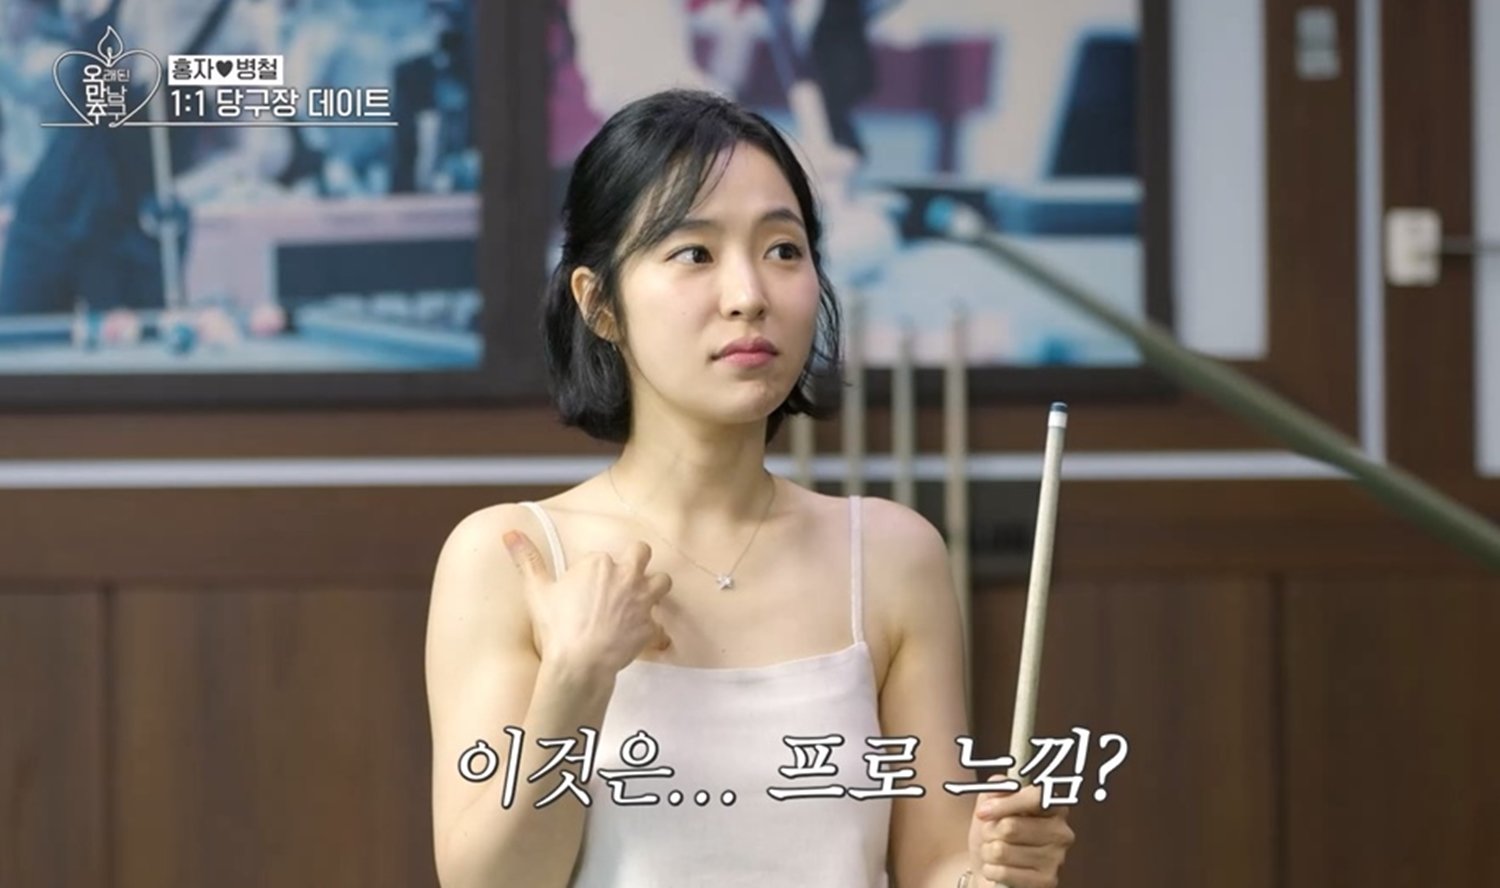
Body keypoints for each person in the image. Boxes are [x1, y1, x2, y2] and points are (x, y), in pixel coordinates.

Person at [424, 88, 1075, 888]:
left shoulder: (893, 554)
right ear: (599, 303)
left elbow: (936, 861)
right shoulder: (511, 556)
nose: (750, 295)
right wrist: (574, 680)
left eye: (783, 249)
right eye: (694, 253)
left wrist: (995, 871)